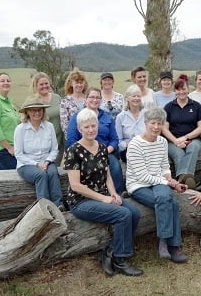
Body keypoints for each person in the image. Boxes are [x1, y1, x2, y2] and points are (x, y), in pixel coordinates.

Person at [64, 108, 142, 276]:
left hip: (103, 195)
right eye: (87, 127)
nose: (91, 130)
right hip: (81, 201)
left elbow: (106, 174)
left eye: (93, 126)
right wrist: (104, 199)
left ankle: (110, 252)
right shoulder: (73, 151)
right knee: (123, 214)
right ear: (79, 129)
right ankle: (120, 260)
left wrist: (113, 193)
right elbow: (76, 185)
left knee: (134, 212)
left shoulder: (101, 147)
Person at [126, 107, 188, 263]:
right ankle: (169, 244)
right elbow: (142, 176)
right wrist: (167, 183)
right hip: (138, 185)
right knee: (171, 203)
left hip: (158, 181)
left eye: (159, 123)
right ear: (145, 123)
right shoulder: (135, 144)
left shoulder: (162, 141)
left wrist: (171, 180)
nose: (156, 127)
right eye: (152, 123)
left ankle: (166, 245)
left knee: (166, 200)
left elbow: (164, 166)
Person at [66, 88, 124, 194]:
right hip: (83, 155)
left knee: (114, 165)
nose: (95, 100)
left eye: (98, 97)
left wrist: (105, 151)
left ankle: (118, 194)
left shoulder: (107, 117)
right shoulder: (77, 117)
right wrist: (86, 154)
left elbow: (114, 140)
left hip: (105, 152)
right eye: (92, 97)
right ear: (86, 99)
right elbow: (71, 140)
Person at [14, 96, 63, 209]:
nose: (37, 113)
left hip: (46, 161)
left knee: (52, 173)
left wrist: (46, 162)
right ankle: (44, 207)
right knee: (40, 175)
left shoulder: (49, 126)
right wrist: (36, 164)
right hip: (26, 164)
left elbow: (54, 149)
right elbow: (19, 154)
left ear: (43, 111)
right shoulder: (20, 129)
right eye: (33, 110)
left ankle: (58, 205)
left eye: (39, 109)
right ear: (27, 112)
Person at [162, 77, 201, 189]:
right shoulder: (169, 107)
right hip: (173, 140)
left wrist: (186, 137)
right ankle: (187, 180)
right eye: (178, 89)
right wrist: (176, 141)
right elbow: (164, 129)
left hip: (192, 138)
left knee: (194, 147)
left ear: (188, 89)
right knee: (179, 154)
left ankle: (182, 179)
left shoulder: (196, 106)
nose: (181, 92)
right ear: (175, 91)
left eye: (183, 89)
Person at [29, 72, 64, 165]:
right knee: (44, 168)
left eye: (46, 83)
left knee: (55, 169)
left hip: (59, 142)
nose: (44, 86)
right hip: (42, 145)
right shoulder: (33, 101)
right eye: (41, 84)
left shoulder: (57, 97)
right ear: (36, 86)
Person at [115, 84, 146, 163]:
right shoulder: (120, 117)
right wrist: (126, 144)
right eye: (134, 96)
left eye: (138, 96)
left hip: (146, 147)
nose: (136, 98)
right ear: (127, 98)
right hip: (128, 150)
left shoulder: (147, 114)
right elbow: (118, 140)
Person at [60, 67, 88, 137]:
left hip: (89, 137)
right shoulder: (65, 101)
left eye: (81, 83)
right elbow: (64, 124)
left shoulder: (89, 99)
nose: (79, 85)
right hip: (72, 138)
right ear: (71, 84)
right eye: (76, 82)